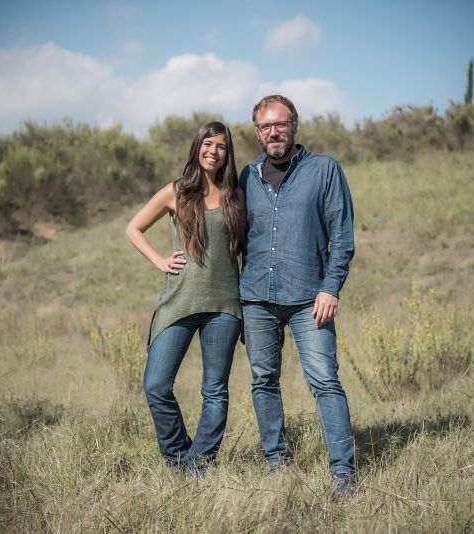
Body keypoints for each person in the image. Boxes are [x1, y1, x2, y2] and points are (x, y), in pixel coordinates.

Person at [239, 95, 357, 499]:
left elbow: (342, 237)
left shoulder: (324, 170)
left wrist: (330, 287)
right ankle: (277, 462)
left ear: (294, 126)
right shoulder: (246, 176)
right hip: (256, 298)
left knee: (325, 381)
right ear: (257, 131)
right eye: (265, 126)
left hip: (311, 297)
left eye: (280, 124)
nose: (273, 132)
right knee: (263, 380)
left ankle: (343, 472)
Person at [126, 121, 245, 476]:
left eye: (221, 146)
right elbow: (134, 227)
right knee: (156, 385)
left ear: (228, 153)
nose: (213, 151)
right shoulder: (176, 192)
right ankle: (180, 457)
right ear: (197, 148)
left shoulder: (237, 194)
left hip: (224, 305)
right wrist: (159, 260)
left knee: (215, 391)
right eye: (207, 144)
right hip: (179, 302)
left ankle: (198, 464)